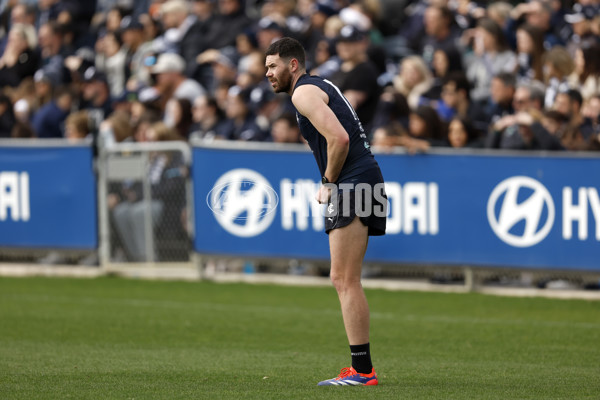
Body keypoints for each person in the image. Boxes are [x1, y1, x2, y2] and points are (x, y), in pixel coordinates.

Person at [265, 36, 386, 386]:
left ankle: (363, 371)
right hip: (365, 179)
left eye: (273, 66)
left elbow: (340, 139)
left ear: (292, 64)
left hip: (352, 181)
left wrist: (329, 181)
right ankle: (361, 368)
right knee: (344, 278)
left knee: (344, 279)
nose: (268, 74)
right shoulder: (320, 85)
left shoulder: (303, 92)